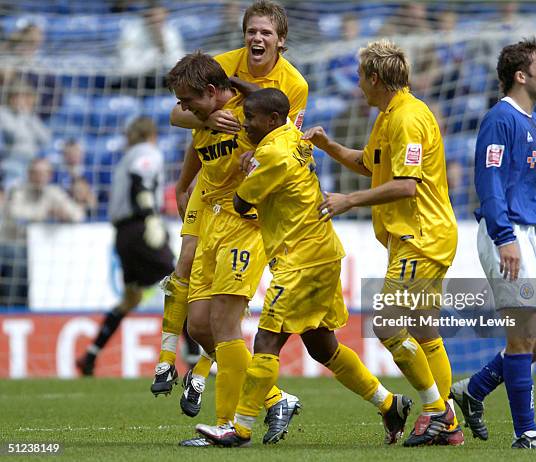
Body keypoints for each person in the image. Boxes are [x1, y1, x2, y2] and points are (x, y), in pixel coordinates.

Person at [195, 88, 412, 447]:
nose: (245, 123)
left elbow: (240, 200)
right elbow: (272, 103)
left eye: (250, 118)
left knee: (266, 339)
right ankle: (389, 404)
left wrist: (244, 167)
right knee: (320, 345)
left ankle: (241, 426)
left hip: (302, 260)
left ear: (271, 121)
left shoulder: (273, 153)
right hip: (322, 252)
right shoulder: (292, 137)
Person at [152, 0, 308, 428]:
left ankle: (229, 412)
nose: (257, 39)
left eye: (266, 33)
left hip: (247, 208)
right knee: (199, 315)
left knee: (222, 320)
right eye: (251, 31)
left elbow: (285, 143)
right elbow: (180, 115)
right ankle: (178, 363)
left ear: (280, 40)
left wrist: (248, 137)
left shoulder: (293, 85)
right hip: (211, 197)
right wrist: (207, 121)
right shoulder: (215, 69)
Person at [302, 39, 461, 447]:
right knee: (424, 331)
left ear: (375, 78)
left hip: (419, 236)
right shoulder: (390, 114)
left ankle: (437, 411)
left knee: (388, 323)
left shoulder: (408, 118)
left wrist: (349, 200)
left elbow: (406, 185)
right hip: (420, 234)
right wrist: (328, 147)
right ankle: (447, 424)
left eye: (360, 78)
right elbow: (369, 164)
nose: (358, 86)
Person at [449, 38, 536, 449]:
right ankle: (526, 433)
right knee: (522, 336)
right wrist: (504, 236)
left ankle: (474, 388)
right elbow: (488, 183)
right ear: (521, 76)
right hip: (509, 234)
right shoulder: (499, 120)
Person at [76, 117, 174, 375]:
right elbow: (140, 182)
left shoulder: (124, 159)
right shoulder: (147, 153)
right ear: (151, 133)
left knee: (131, 298)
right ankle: (193, 357)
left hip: (122, 234)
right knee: (179, 283)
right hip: (140, 227)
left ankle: (90, 354)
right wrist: (151, 217)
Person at [0, 158, 85, 306]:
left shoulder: (53, 192)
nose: (39, 177)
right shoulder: (18, 191)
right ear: (29, 174)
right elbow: (16, 214)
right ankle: (11, 308)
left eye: (43, 173)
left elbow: (79, 215)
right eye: (35, 173)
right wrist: (45, 213)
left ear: (50, 175)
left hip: (42, 251)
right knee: (17, 258)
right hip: (13, 246)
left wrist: (65, 214)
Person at [0, 81, 52, 189]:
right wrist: (23, 115)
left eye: (24, 97)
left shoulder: (30, 116)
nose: (21, 100)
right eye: (17, 96)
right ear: (10, 98)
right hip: (12, 159)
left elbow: (45, 138)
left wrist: (27, 116)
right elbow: (13, 134)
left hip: (32, 161)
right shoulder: (3, 113)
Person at [117, 4, 185, 76]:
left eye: (161, 20)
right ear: (147, 17)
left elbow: (177, 57)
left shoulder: (171, 32)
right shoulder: (132, 31)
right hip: (136, 76)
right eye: (155, 20)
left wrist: (163, 47)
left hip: (163, 75)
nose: (158, 24)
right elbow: (128, 61)